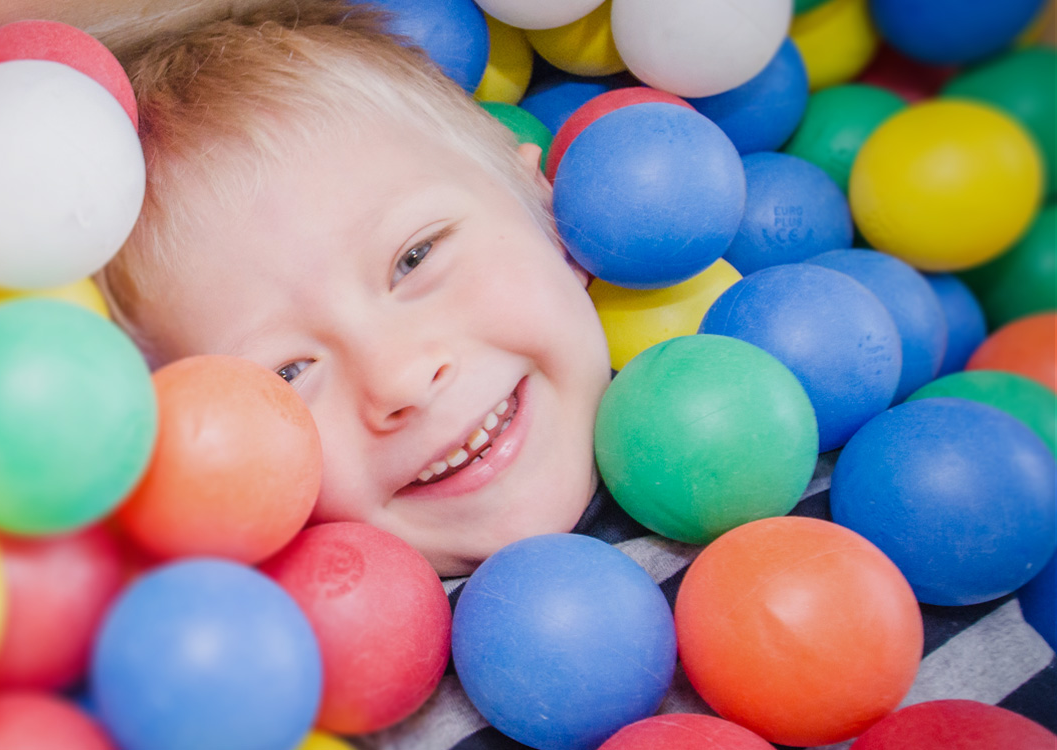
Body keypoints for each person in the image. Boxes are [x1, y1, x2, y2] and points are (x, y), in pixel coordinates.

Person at [96, 1, 1054, 744]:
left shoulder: (831, 433)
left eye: (416, 258)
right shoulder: (348, 684)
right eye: (288, 371)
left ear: (550, 205)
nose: (399, 378)